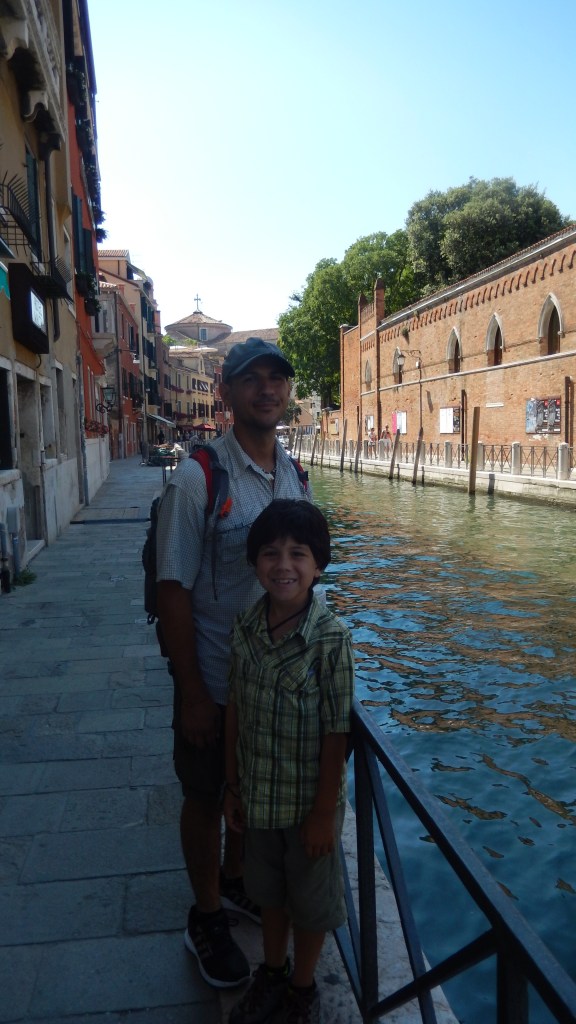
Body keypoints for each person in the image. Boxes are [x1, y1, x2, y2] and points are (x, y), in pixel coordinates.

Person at [155, 338, 310, 989]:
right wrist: (192, 691)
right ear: (226, 390)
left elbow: (299, 571)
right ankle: (207, 915)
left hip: (272, 686)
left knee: (246, 793)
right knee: (205, 796)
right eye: (253, 380)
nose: (267, 390)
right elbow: (172, 588)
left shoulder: (296, 474)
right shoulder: (198, 477)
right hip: (215, 679)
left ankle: (238, 880)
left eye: (277, 380)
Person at [224, 499, 355, 1024]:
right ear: (254, 562)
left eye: (298, 554)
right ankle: (273, 972)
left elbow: (336, 732)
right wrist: (232, 787)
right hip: (258, 799)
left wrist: (325, 813)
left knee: (310, 904)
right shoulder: (246, 627)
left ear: (318, 565)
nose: (283, 565)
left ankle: (303, 988)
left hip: (307, 810)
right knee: (269, 897)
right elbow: (235, 706)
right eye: (271, 553)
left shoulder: (330, 640)